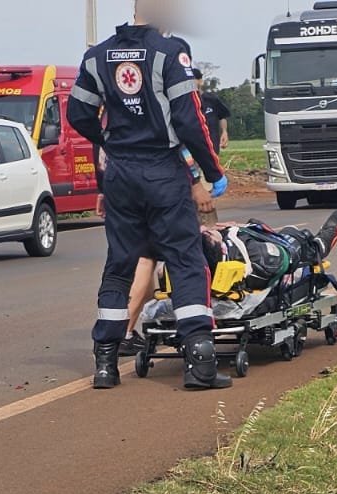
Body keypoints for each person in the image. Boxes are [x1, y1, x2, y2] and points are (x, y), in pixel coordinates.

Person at [67, 1, 231, 391]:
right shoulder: (171, 52)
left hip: (120, 172)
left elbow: (77, 113)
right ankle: (200, 363)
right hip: (162, 169)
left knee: (120, 262)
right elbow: (190, 118)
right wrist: (211, 171)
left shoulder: (97, 54)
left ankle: (105, 362)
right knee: (186, 259)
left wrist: (110, 140)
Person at [194, 70, 231, 152]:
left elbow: (222, 116)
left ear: (200, 81)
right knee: (189, 164)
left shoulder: (212, 99)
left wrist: (224, 132)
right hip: (189, 147)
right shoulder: (183, 103)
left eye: (193, 79)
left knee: (211, 164)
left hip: (211, 145)